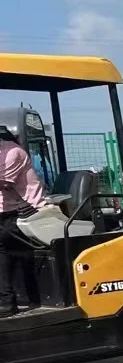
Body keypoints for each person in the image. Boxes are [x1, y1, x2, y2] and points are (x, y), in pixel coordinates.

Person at [0, 125, 46, 318]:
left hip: (28, 214)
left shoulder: (12, 153)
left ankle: (5, 302)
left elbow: (3, 183)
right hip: (9, 214)